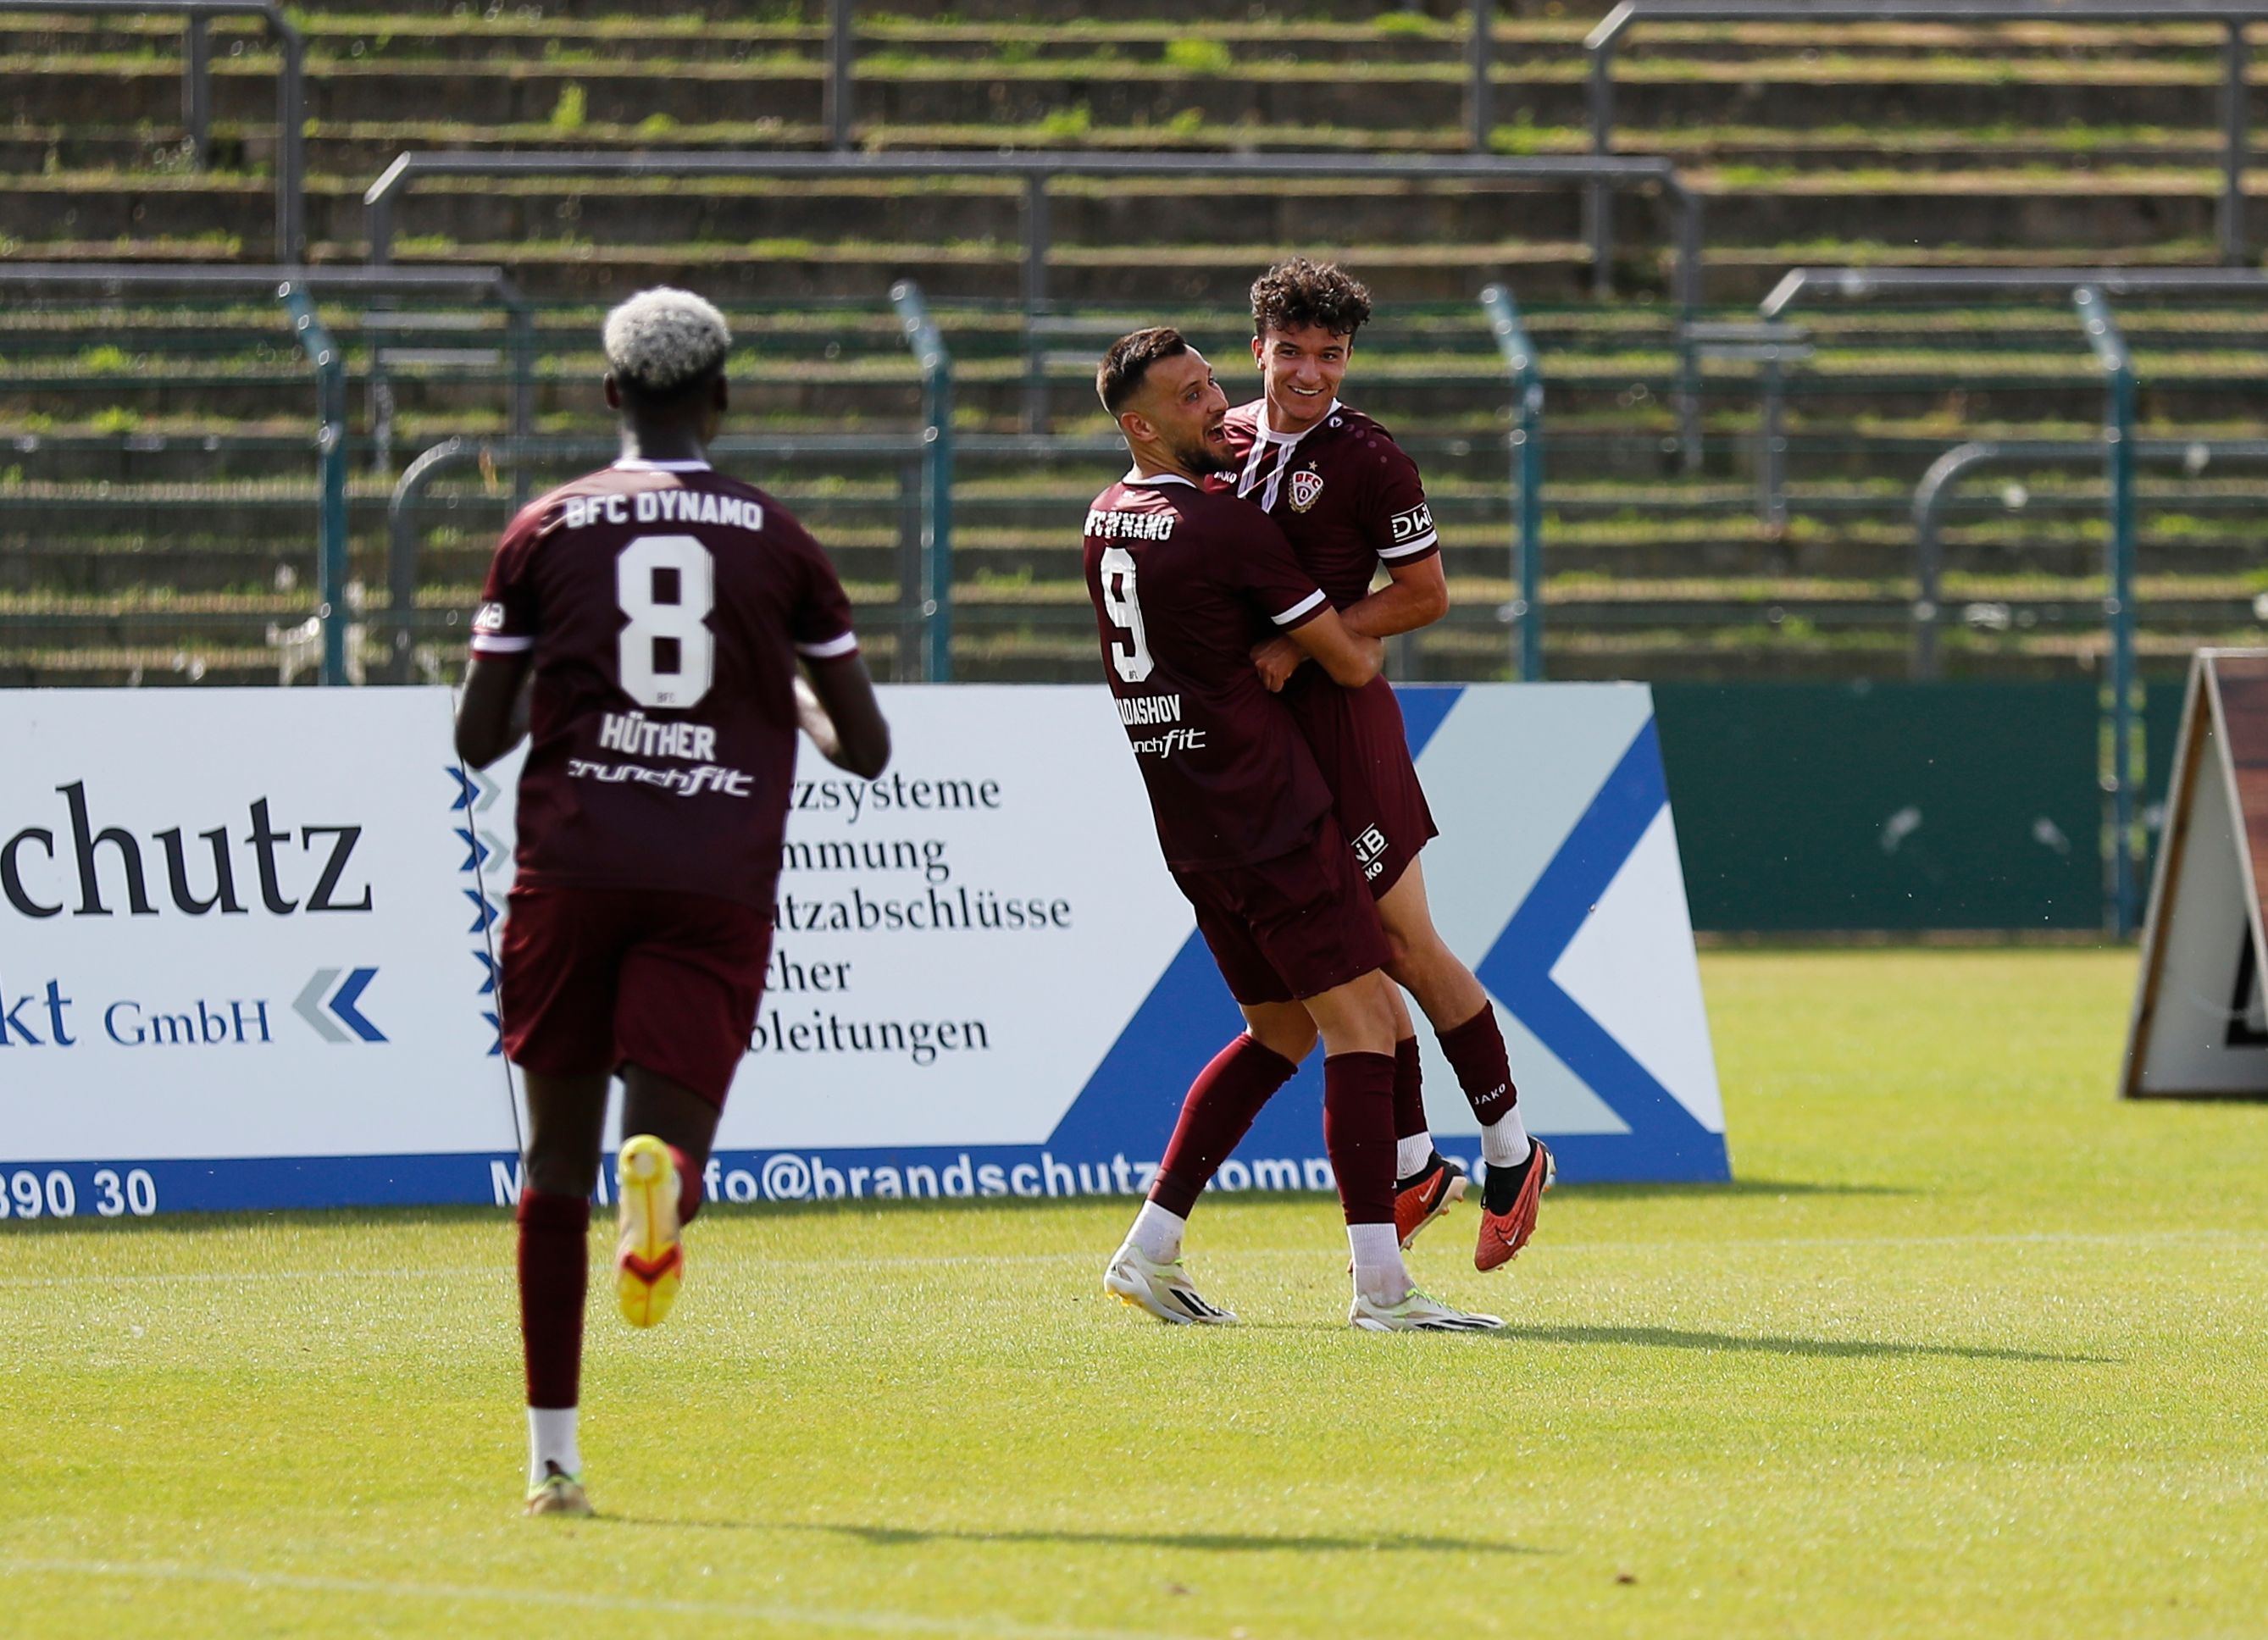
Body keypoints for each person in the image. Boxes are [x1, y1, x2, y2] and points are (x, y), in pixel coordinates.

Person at [454, 287, 890, 1517]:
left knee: (550, 1162)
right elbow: (863, 746)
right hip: (713, 876)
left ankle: (552, 1460)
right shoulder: (776, 539)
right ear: (724, 394)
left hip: (573, 868)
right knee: (664, 1147)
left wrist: (563, 670)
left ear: (609, 394)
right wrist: (786, 705)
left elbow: (478, 734)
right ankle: (667, 1194)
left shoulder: (546, 529)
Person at [1084, 325, 1499, 1333]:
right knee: (1358, 1026)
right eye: (1190, 398)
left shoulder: (1104, 515)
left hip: (1188, 819)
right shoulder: (1222, 529)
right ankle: (1384, 1293)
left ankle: (1149, 1250)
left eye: (1213, 381)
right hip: (1266, 813)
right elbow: (1352, 661)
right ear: (1140, 424)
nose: (1216, 405)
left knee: (1278, 1030)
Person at [1222, 257, 1552, 1273]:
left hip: (1346, 727)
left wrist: (1311, 637)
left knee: (1403, 944)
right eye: (1293, 352)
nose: (1311, 373)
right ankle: (1413, 1160)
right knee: (1343, 960)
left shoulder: (1369, 457)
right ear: (1258, 348)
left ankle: (1509, 1147)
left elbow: (1425, 593)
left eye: (1331, 354)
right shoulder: (1220, 441)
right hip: (1261, 745)